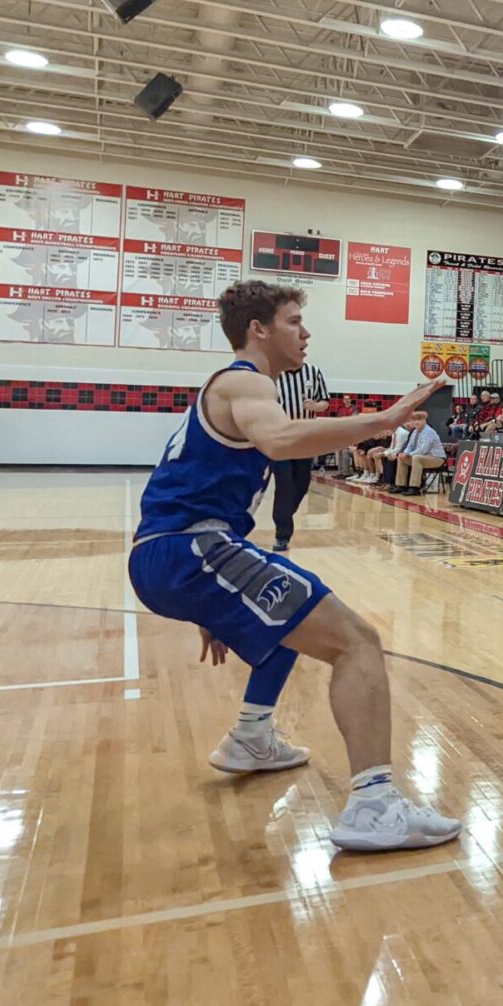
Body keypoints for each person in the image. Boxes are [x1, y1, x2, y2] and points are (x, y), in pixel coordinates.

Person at [128, 280, 460, 852]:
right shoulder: (244, 381)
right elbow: (280, 440)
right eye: (293, 322)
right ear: (258, 330)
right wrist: (383, 419)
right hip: (189, 549)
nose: (305, 333)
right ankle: (375, 806)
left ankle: (251, 736)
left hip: (181, 552)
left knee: (291, 617)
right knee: (357, 642)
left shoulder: (234, 388)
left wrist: (209, 600)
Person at [270, 360, 330, 552]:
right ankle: (282, 534)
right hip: (281, 435)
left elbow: (325, 402)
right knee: (284, 483)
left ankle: (283, 514)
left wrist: (316, 406)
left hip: (305, 435)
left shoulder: (313, 371)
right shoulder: (274, 373)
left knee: (302, 482)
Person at [389, 410, 446, 494]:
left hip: (437, 458)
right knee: (401, 458)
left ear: (425, 421)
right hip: (424, 457)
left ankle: (415, 487)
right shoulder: (415, 432)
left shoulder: (429, 431)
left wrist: (408, 455)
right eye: (414, 420)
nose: (416, 422)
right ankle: (401, 486)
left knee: (416, 458)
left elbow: (422, 450)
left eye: (419, 420)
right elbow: (409, 446)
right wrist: (404, 454)